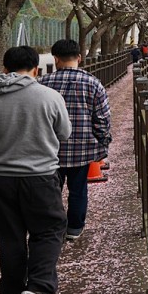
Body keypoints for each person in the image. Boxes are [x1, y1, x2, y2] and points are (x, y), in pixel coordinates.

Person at [0, 45, 70, 294]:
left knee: (10, 236)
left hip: (2, 179)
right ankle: (39, 287)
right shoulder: (49, 96)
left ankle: (10, 293)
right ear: (36, 69)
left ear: (5, 69)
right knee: (49, 229)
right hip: (40, 176)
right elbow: (64, 133)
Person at [40, 39, 112, 243]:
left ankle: (53, 228)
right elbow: (102, 119)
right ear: (79, 57)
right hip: (81, 150)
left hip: (49, 148)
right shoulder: (92, 83)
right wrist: (102, 142)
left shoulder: (43, 83)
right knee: (78, 190)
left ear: (56, 59)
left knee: (51, 191)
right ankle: (74, 228)